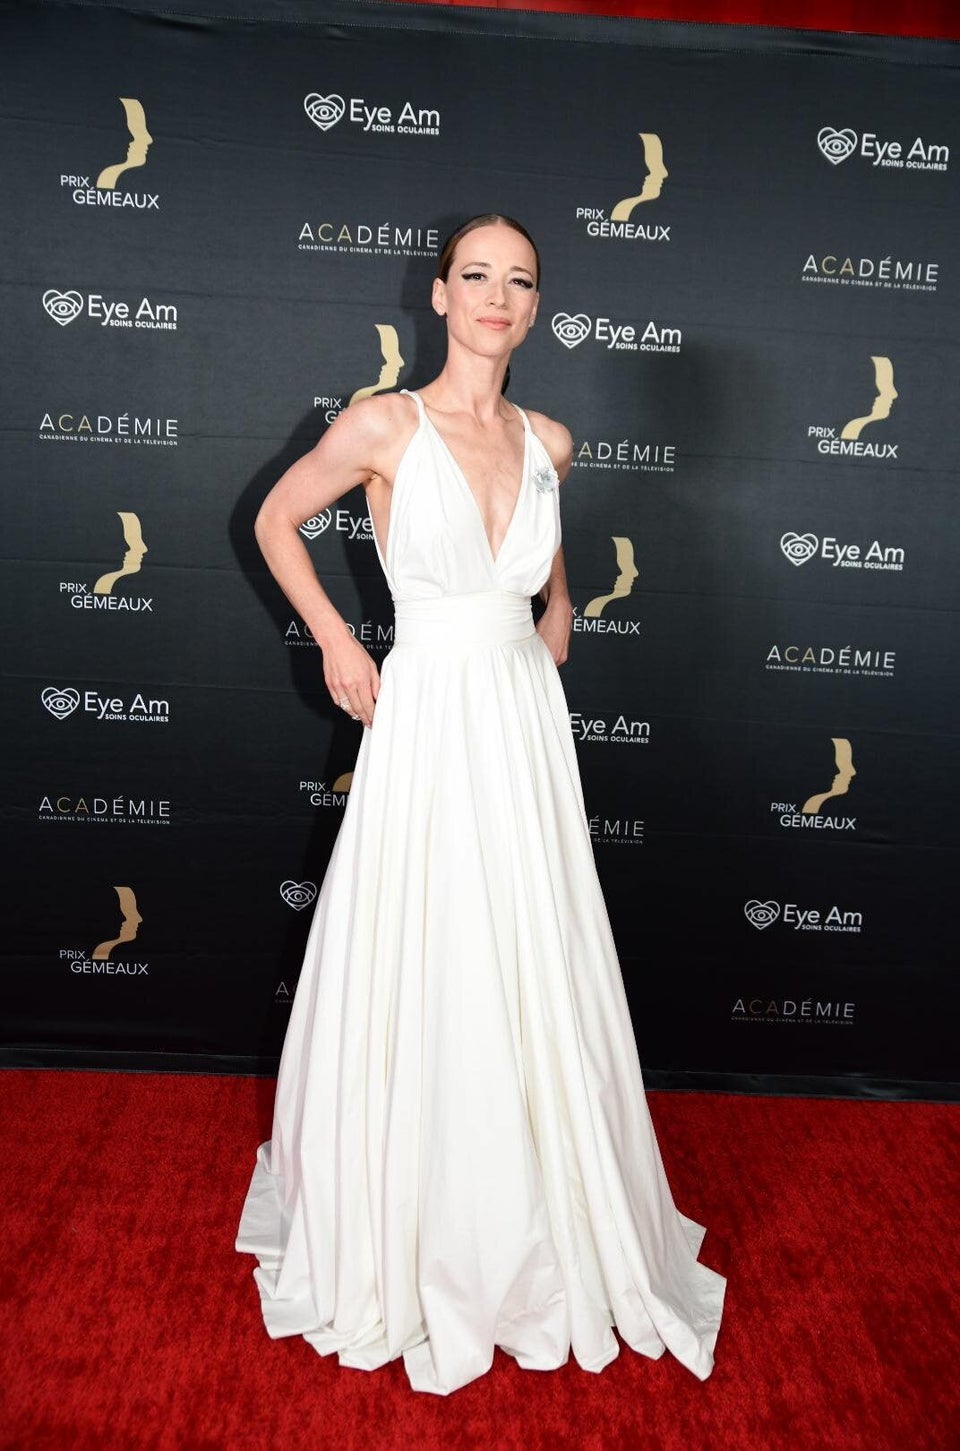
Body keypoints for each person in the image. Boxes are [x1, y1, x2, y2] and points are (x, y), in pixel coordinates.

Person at [236, 213, 725, 1396]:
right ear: (441, 295)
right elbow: (273, 519)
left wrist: (555, 607)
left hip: (519, 716)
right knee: (434, 933)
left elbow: (543, 548)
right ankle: (421, 1210)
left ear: (534, 306)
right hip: (429, 706)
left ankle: (544, 1199)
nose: (497, 295)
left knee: (530, 940)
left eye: (520, 280)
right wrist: (337, 638)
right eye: (477, 275)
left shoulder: (549, 437)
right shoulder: (383, 424)